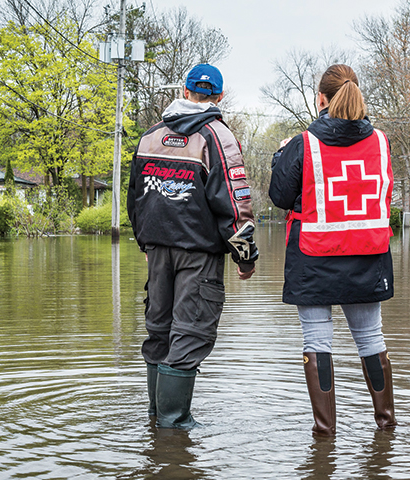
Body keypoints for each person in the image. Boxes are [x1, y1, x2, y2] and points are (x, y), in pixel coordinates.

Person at [268, 64, 398, 436]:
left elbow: (280, 197)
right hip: (367, 256)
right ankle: (386, 428)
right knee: (372, 338)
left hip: (315, 255)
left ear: (320, 99)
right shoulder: (381, 141)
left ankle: (324, 435)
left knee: (316, 340)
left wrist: (280, 158)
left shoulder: (304, 143)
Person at [128, 63, 259, 429]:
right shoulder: (218, 137)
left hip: (156, 250)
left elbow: (134, 198)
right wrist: (245, 258)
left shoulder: (150, 136)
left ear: (185, 92)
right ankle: (174, 427)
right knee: (190, 333)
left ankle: (156, 425)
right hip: (199, 254)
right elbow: (236, 205)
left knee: (159, 331)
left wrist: (148, 243)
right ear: (218, 96)